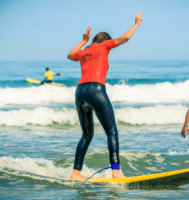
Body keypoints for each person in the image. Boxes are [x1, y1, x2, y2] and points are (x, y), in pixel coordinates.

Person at [67, 12, 143, 180]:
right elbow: (125, 38)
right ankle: (115, 172)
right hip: (96, 90)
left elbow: (70, 55)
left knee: (86, 135)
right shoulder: (104, 46)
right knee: (112, 131)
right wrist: (137, 24)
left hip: (80, 92)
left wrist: (83, 41)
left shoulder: (84, 52)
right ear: (104, 41)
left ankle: (75, 173)